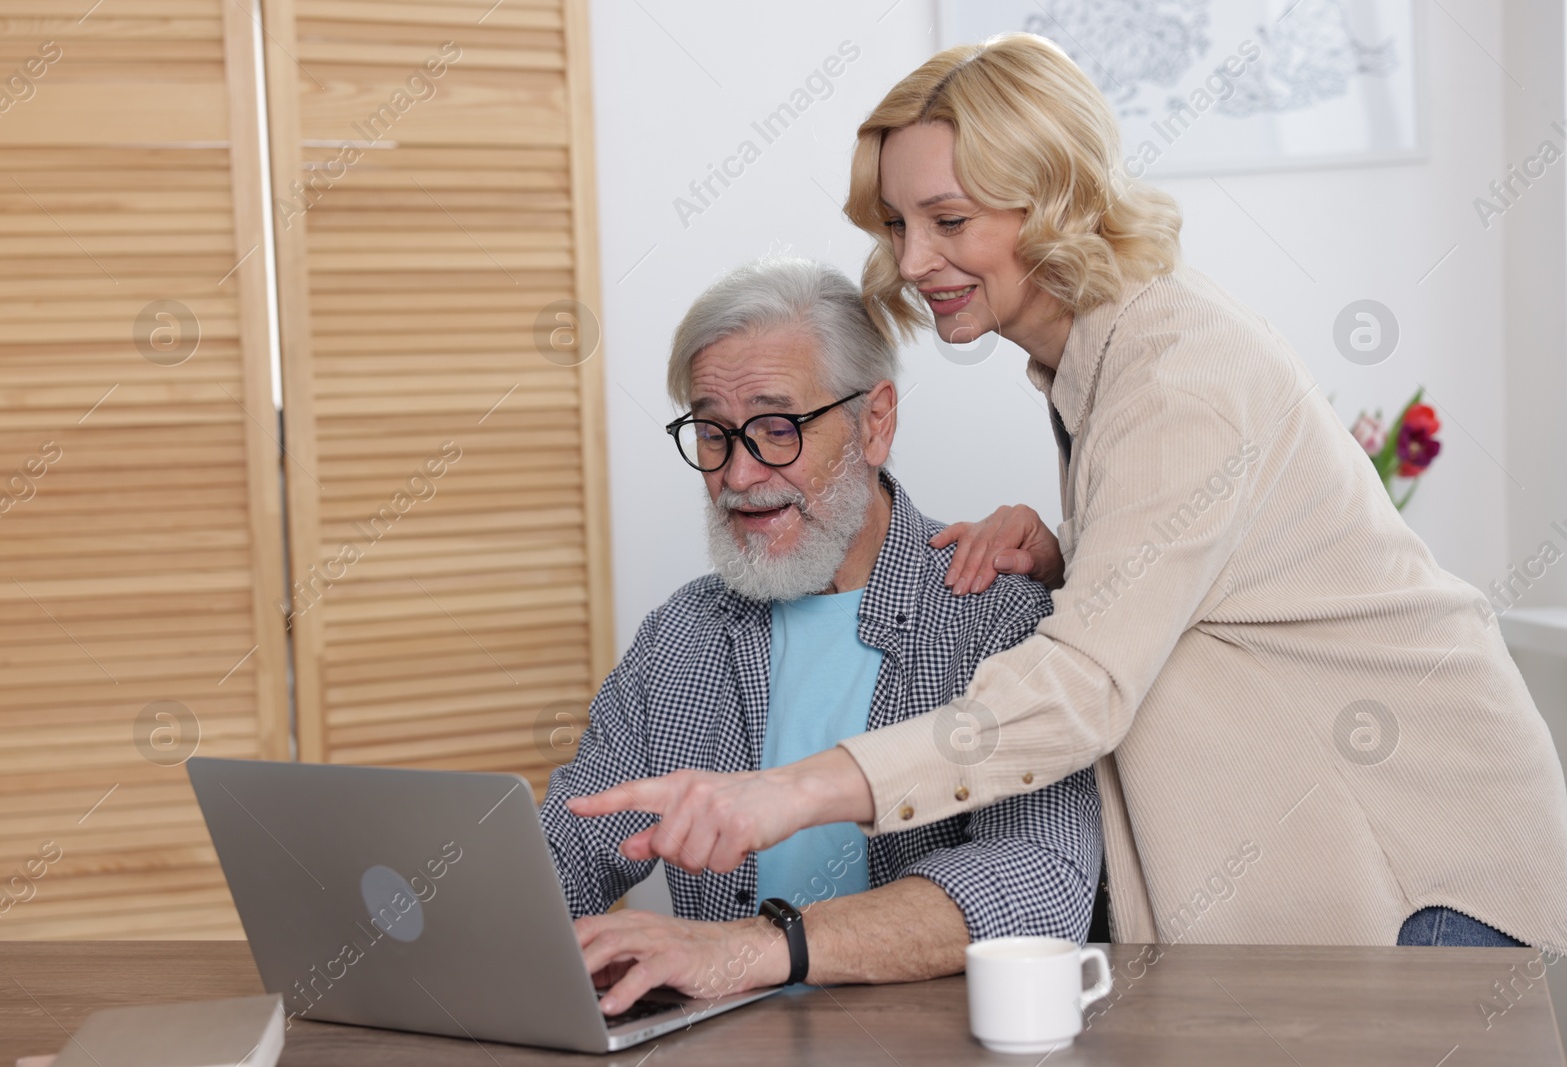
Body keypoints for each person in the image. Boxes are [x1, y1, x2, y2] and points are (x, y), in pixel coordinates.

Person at [569, 33, 1567, 951]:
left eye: (949, 220)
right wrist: (1073, 548)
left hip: (1426, 859)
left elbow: (1076, 692)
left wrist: (789, 793)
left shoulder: (1174, 371)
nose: (912, 262)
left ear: (1051, 199)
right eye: (898, 223)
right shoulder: (1091, 371)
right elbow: (1214, 571)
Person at [541, 256, 1101, 1016]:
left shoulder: (995, 615)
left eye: (777, 428)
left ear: (875, 422)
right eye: (712, 432)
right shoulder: (680, 635)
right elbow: (570, 845)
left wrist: (760, 948)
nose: (738, 474)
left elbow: (1042, 882)